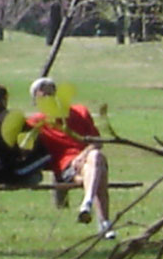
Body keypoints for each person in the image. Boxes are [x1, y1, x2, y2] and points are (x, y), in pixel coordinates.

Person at [28, 76, 116, 238]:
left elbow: (97, 141)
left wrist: (83, 155)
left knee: (96, 157)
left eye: (51, 94)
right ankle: (105, 223)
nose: (49, 99)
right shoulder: (36, 122)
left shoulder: (80, 112)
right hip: (68, 170)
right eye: (43, 96)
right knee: (99, 170)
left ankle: (87, 203)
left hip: (87, 163)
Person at [0, 84, 51, 187]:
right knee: (48, 155)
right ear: (5, 99)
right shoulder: (11, 117)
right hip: (5, 175)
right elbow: (33, 136)